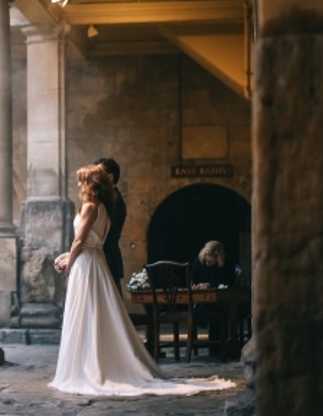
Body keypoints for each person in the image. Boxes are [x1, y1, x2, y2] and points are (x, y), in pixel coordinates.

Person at [48, 164, 234, 396]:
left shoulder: (89, 206)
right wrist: (69, 255)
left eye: (81, 180)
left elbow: (79, 241)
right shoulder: (104, 208)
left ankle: (88, 367)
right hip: (95, 261)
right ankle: (96, 362)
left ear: (89, 184)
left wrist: (69, 262)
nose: (78, 185)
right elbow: (90, 242)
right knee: (94, 313)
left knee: (87, 313)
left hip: (86, 264)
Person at [93, 157, 126, 296]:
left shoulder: (113, 201)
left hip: (107, 258)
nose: (93, 179)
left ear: (110, 177)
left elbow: (105, 233)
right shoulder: (109, 200)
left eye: (97, 174)